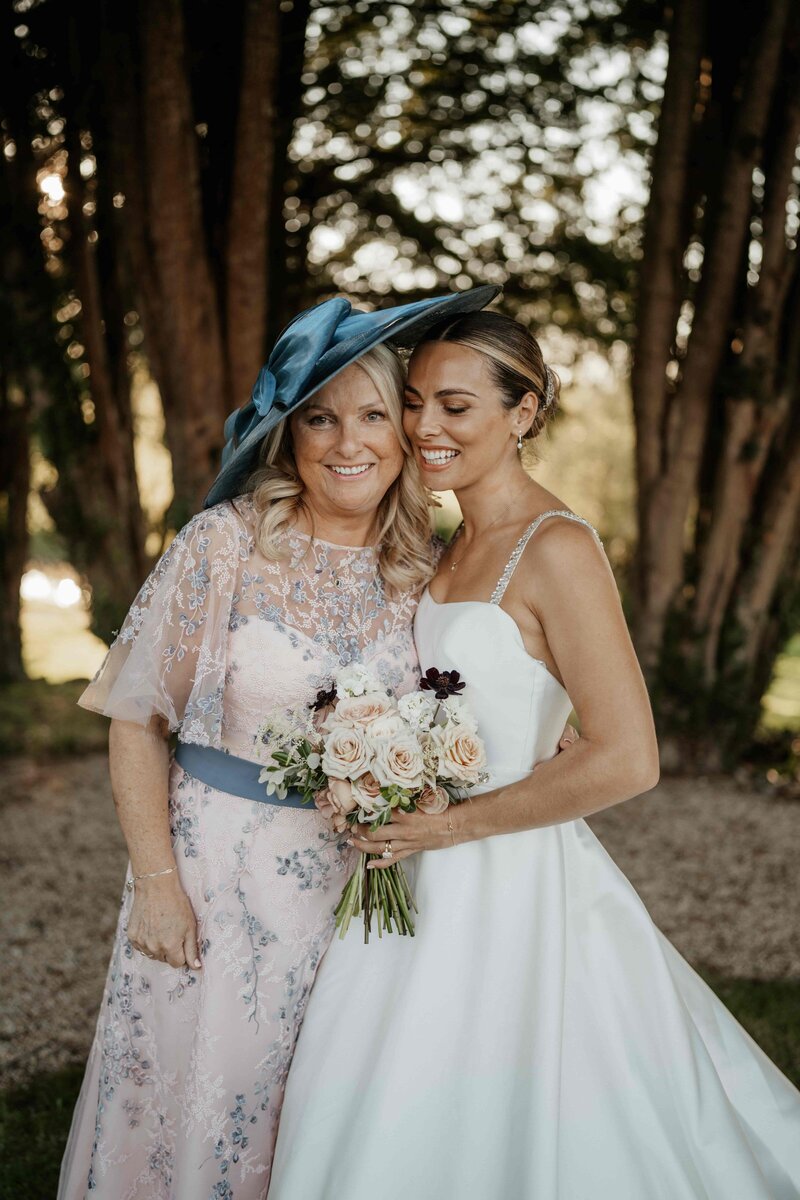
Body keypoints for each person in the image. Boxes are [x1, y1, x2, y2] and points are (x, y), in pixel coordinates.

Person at [269, 309, 800, 1200]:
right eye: (413, 404)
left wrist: (449, 827)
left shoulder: (556, 550)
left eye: (456, 406)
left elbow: (629, 757)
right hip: (414, 871)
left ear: (523, 413)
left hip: (504, 883)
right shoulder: (448, 546)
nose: (424, 428)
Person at [57, 286, 502, 1198]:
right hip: (213, 881)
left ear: (405, 433)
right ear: (288, 434)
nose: (349, 443)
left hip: (360, 891)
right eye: (321, 418)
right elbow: (137, 719)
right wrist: (157, 885)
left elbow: (482, 691)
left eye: (374, 415)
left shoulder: (428, 567)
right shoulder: (224, 545)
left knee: (324, 1109)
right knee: (194, 1099)